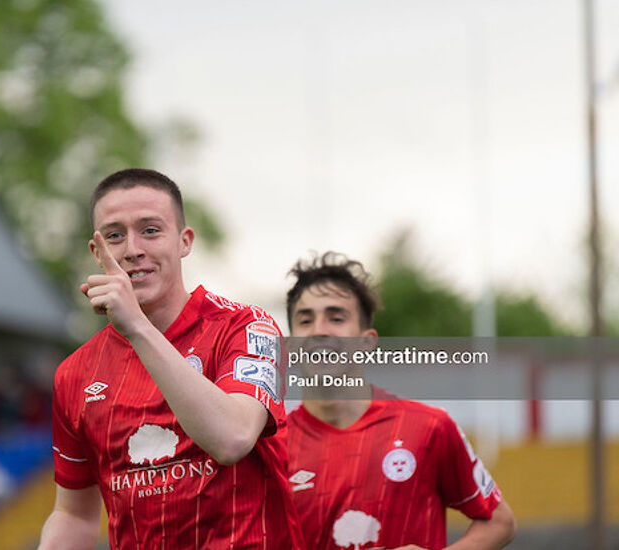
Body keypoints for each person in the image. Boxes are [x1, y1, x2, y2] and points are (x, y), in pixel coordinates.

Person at [38, 169, 304, 549]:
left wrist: (138, 328)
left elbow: (232, 438)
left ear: (184, 241)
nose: (132, 249)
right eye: (114, 235)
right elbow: (74, 514)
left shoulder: (246, 327)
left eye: (150, 230)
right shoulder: (75, 374)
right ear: (97, 253)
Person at [284, 252, 516, 550]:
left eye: (336, 317)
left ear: (367, 341)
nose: (319, 330)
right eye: (305, 320)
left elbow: (500, 521)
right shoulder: (272, 445)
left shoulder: (429, 427)